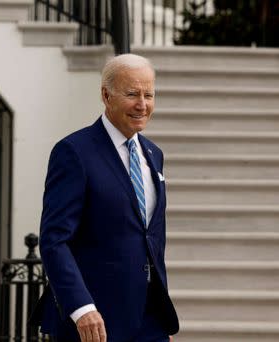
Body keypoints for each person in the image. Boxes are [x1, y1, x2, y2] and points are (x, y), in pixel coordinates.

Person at [37, 53, 179, 342]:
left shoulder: (154, 154)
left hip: (148, 321)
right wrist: (81, 307)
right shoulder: (74, 152)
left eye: (149, 95)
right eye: (132, 94)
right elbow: (54, 239)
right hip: (94, 322)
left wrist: (159, 319)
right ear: (106, 95)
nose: (142, 104)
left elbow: (152, 238)